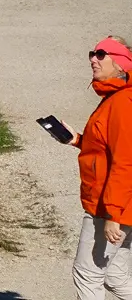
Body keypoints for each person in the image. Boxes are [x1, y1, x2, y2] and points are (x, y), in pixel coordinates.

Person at [63, 36, 132, 299]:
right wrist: (78, 141)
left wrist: (112, 215)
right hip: (119, 203)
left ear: (121, 63)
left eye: (102, 54)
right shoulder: (114, 97)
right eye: (93, 53)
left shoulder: (123, 103)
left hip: (111, 205)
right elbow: (109, 150)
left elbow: (126, 162)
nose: (93, 58)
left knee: (87, 274)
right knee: (114, 276)